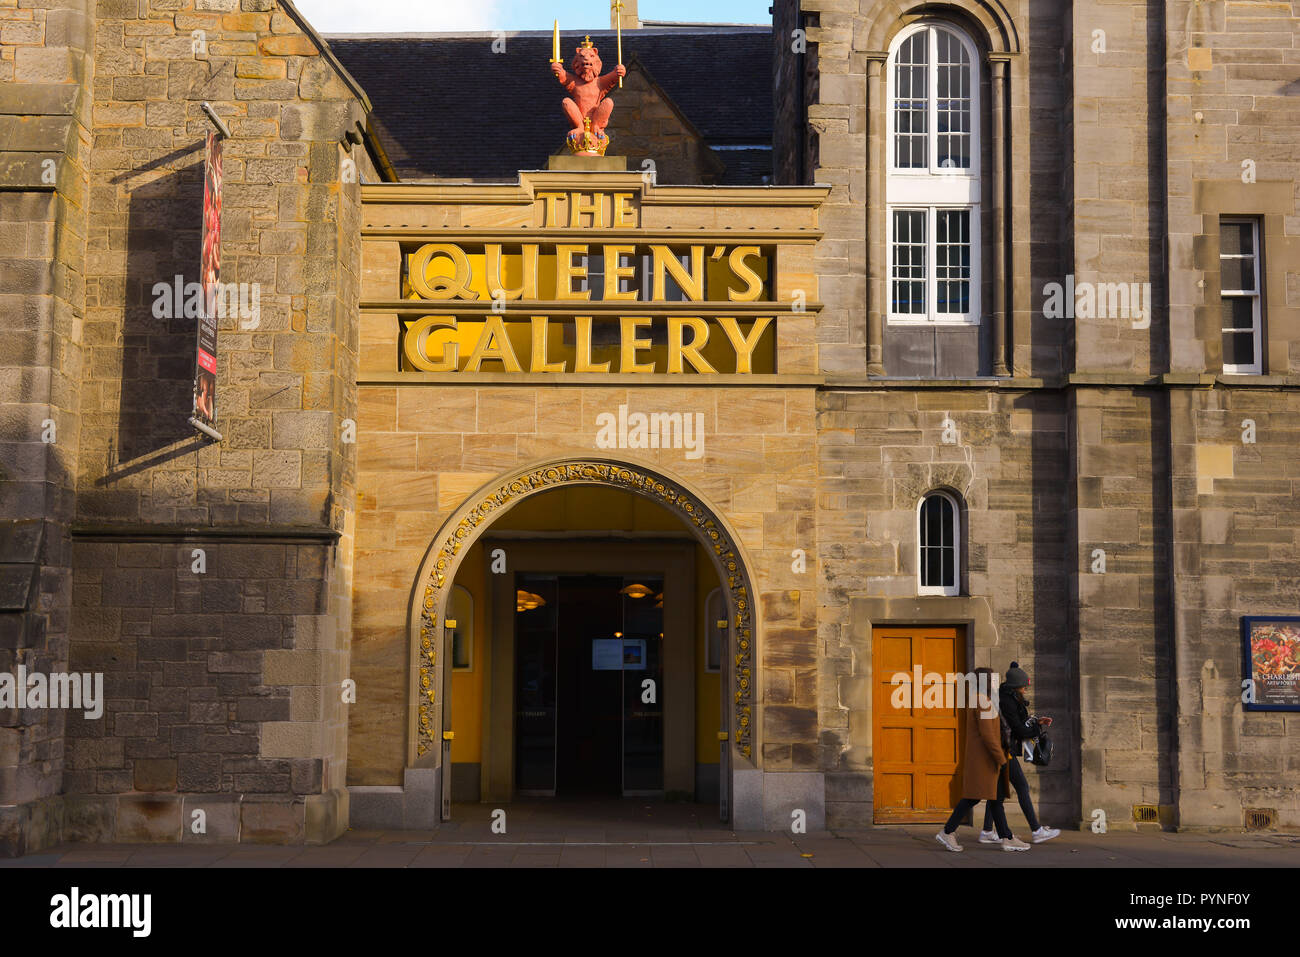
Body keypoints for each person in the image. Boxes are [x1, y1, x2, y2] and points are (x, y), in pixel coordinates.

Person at [935, 666, 1030, 852]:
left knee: (995, 799)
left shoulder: (980, 699)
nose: (995, 683)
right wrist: (1001, 759)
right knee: (973, 797)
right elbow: (988, 736)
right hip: (986, 760)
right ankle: (947, 832)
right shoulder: (982, 701)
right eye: (992, 679)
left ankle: (1007, 837)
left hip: (986, 759)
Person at [979, 661, 1061, 844]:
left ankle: (986, 831)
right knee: (1021, 787)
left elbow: (1020, 723)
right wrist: (1036, 731)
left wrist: (1037, 722)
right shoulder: (1007, 701)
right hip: (1003, 749)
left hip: (1004, 748)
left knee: (997, 793)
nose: (1026, 689)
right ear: (1015, 686)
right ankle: (1036, 830)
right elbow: (1018, 729)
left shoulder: (1010, 697)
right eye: (1024, 686)